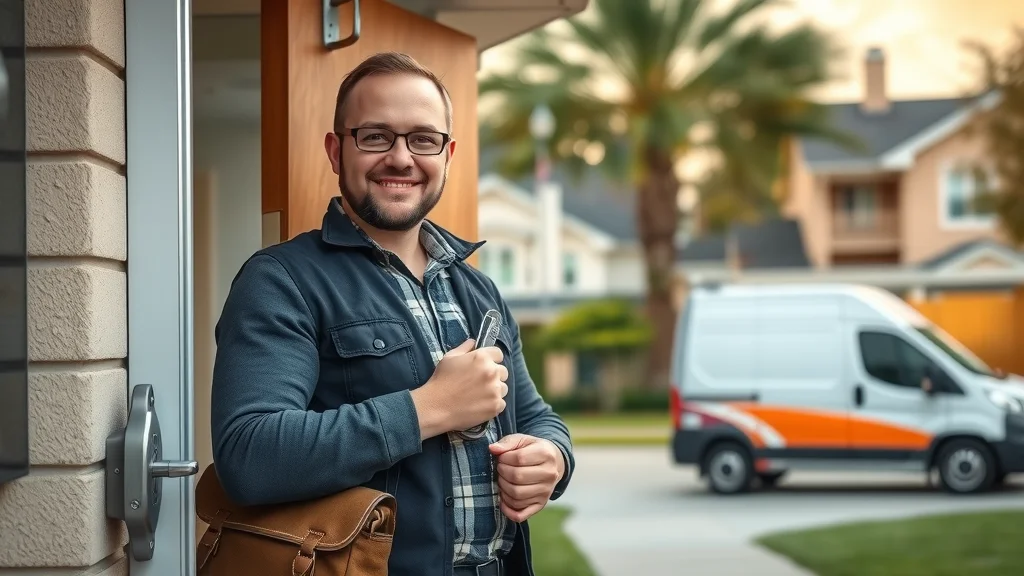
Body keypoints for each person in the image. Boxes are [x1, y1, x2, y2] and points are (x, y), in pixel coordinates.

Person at [209, 51, 575, 576]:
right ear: (337, 151)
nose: (401, 158)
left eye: (422, 139)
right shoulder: (280, 280)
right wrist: (430, 407)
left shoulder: (479, 290)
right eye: (376, 136)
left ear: (447, 154)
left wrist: (553, 459)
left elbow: (536, 416)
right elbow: (249, 455)